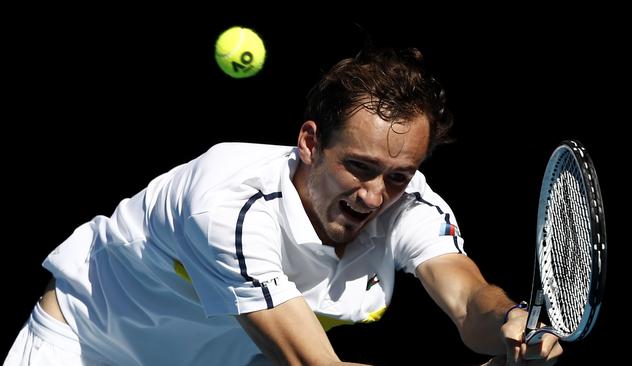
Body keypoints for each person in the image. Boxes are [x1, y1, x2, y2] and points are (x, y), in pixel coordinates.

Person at [4, 46, 562, 366]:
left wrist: (511, 323)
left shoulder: (408, 202)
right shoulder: (229, 204)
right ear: (310, 143)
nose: (374, 195)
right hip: (83, 348)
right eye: (359, 167)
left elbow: (469, 300)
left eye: (398, 175)